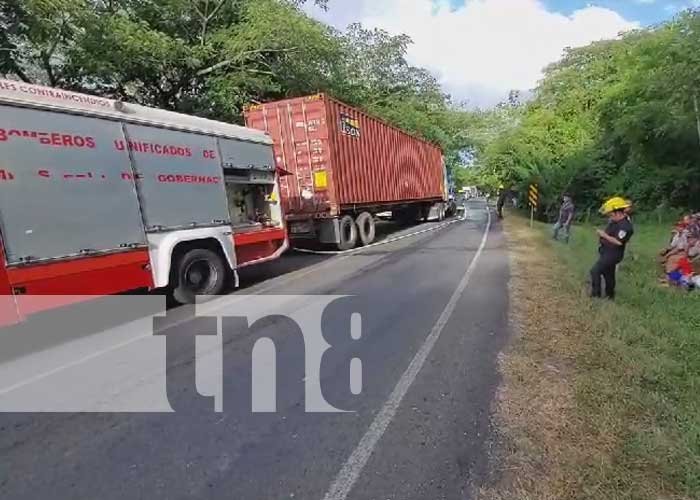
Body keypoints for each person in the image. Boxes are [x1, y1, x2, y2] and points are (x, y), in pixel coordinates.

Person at [590, 197, 634, 300]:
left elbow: (618, 242)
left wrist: (603, 235)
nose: (610, 216)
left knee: (595, 271)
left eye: (611, 214)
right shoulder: (614, 222)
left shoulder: (626, 226)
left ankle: (595, 295)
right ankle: (610, 296)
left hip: (613, 254)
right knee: (608, 274)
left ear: (617, 212)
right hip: (606, 251)